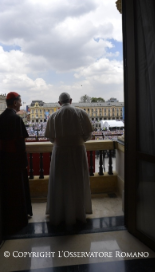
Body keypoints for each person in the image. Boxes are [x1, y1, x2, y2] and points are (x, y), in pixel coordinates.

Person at [45, 92, 93, 226]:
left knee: (60, 181)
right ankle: (79, 211)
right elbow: (88, 135)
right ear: (71, 100)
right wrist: (77, 141)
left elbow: (50, 138)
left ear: (59, 103)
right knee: (78, 179)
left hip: (60, 152)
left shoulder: (53, 116)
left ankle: (60, 212)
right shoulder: (82, 113)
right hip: (78, 151)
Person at [0, 92, 32, 235]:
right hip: (15, 161)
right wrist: (24, 162)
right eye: (20, 101)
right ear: (15, 103)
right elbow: (20, 143)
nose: (21, 103)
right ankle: (20, 218)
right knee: (18, 189)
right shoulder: (16, 119)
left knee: (7, 190)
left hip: (3, 160)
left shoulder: (0, 118)